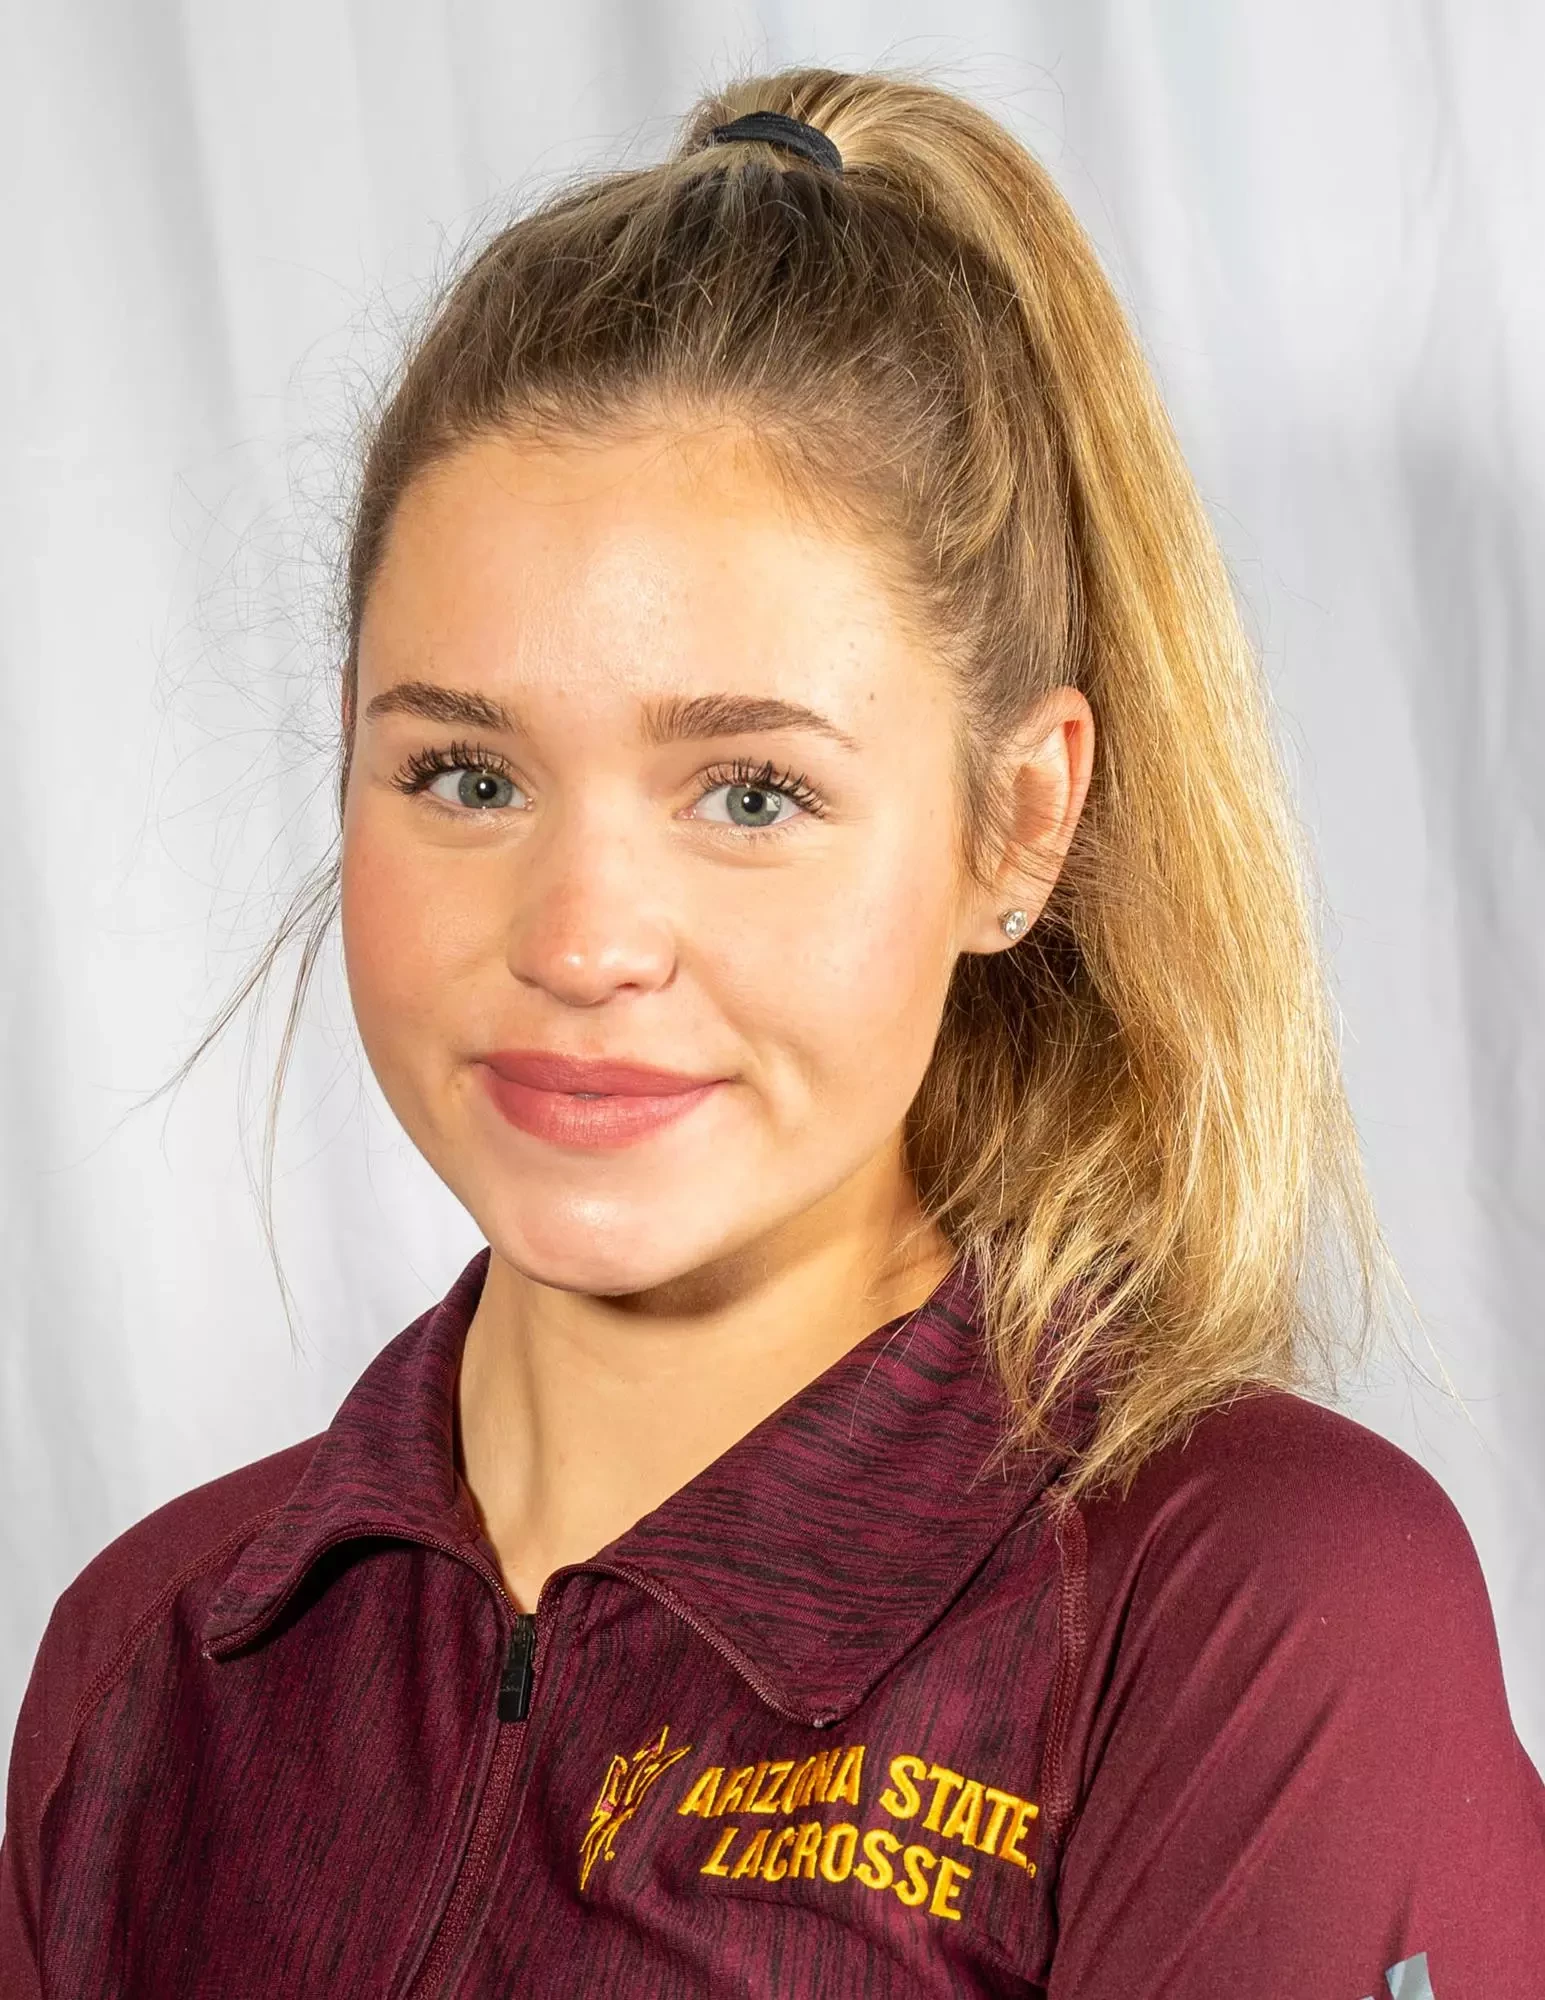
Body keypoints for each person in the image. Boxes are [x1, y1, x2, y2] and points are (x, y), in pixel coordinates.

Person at [2, 62, 1541, 2000]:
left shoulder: (1254, 1602)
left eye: (749, 794)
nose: (581, 942)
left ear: (1018, 823)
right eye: (468, 774)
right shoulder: (151, 1653)